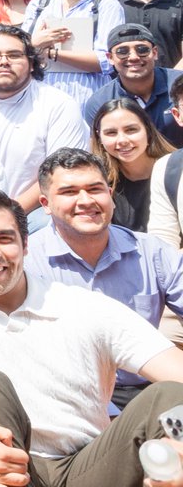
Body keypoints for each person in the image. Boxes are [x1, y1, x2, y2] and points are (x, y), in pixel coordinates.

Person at [0, 181, 183, 487]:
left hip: (83, 467)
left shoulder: (82, 306)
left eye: (4, 238)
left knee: (168, 396)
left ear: (25, 244)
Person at [27, 148, 183, 411]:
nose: (86, 200)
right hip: (66, 397)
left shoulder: (151, 252)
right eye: (69, 192)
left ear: (110, 195)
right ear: (45, 204)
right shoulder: (28, 262)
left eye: (95, 189)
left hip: (149, 388)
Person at [0, 25, 90, 211]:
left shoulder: (58, 104)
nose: (4, 62)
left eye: (14, 55)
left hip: (34, 212)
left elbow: (61, 171)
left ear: (32, 64)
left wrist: (9, 213)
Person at [25, 0, 125, 104]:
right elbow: (18, 51)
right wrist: (34, 43)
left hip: (89, 98)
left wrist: (51, 53)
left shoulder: (106, 4)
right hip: (41, 98)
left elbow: (108, 61)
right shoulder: (39, 5)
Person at [84, 23, 183, 147]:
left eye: (142, 50)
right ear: (110, 58)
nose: (133, 57)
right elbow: (100, 150)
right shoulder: (99, 102)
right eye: (122, 52)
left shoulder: (180, 84)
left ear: (155, 52)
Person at [91, 97, 174, 233]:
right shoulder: (99, 180)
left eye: (131, 130)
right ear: (99, 137)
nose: (122, 140)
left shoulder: (175, 170)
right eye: (111, 133)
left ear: (148, 130)